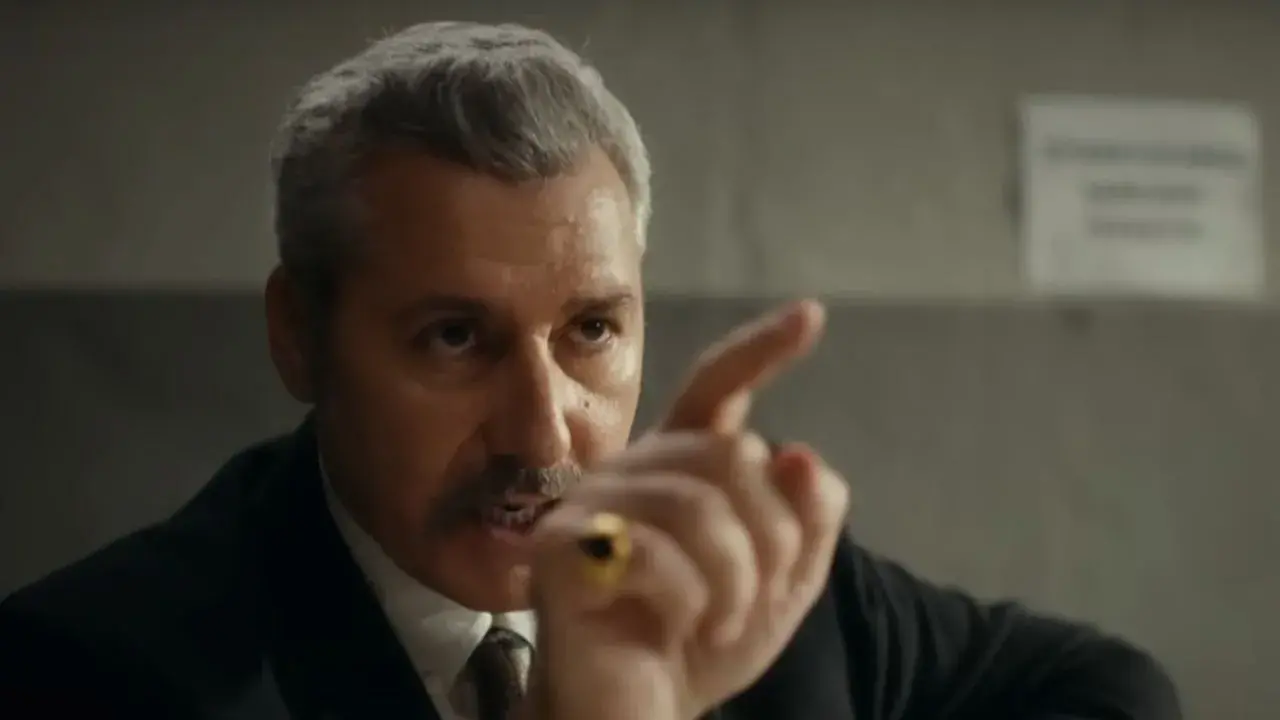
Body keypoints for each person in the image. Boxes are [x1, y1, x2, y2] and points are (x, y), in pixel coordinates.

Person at [0, 20, 1180, 720]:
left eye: (592, 332)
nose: (544, 436)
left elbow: (1112, 687)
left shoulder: (758, 588)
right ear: (297, 336)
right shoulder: (89, 670)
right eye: (452, 338)